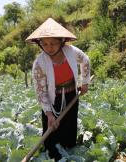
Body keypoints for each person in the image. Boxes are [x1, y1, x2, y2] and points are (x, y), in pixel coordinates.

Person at [26, 18, 91, 161]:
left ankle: (69, 152)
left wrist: (84, 82)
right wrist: (49, 114)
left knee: (69, 125)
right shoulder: (39, 63)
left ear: (61, 41)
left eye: (53, 43)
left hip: (71, 95)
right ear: (40, 44)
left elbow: (85, 60)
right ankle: (52, 156)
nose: (49, 47)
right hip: (51, 99)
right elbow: (41, 91)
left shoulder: (71, 52)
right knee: (51, 132)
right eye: (45, 43)